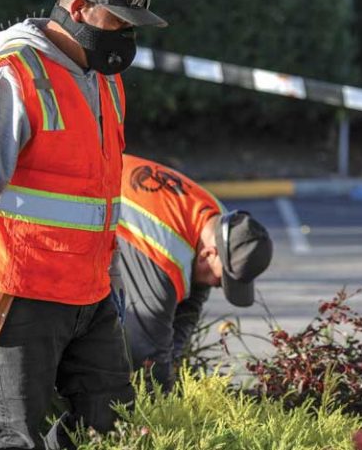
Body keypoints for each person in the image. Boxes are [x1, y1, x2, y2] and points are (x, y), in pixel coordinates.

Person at [0, 0, 167, 450]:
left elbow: (98, 199)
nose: (127, 35)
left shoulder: (107, 82)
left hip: (91, 296)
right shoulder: (11, 76)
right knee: (16, 437)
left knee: (110, 428)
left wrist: (113, 281)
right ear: (79, 8)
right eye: (119, 21)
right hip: (21, 295)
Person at [112, 154, 273, 390]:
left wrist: (176, 359)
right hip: (74, 195)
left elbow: (194, 297)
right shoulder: (163, 258)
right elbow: (147, 356)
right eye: (222, 279)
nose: (218, 286)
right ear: (209, 254)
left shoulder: (217, 219)